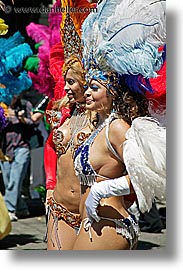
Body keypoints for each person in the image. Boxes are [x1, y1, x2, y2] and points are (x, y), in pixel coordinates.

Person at [71, 0, 166, 250]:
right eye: (87, 87)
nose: (87, 93)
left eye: (94, 88)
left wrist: (103, 190)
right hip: (94, 223)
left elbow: (150, 176)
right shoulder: (99, 126)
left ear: (112, 93)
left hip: (109, 226)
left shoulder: (117, 127)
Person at [45, 55, 96, 250]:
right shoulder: (64, 112)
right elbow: (50, 147)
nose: (65, 87)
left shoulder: (104, 118)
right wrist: (50, 186)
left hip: (92, 215)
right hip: (60, 208)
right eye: (65, 81)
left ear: (86, 82)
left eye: (71, 82)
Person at [0, 94, 36, 221]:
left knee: (15, 179)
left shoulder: (25, 105)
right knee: (8, 180)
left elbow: (33, 122)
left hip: (22, 147)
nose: (13, 96)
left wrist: (22, 119)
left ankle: (9, 210)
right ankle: (21, 207)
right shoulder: (1, 106)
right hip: (5, 150)